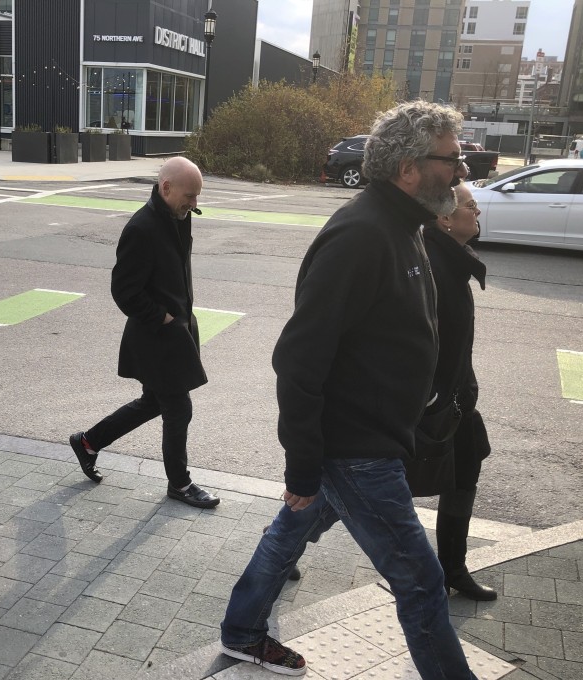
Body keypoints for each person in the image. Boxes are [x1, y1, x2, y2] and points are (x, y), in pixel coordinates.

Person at [219, 101, 477, 679]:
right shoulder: (361, 234)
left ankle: (241, 632)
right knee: (421, 580)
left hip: (373, 438)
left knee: (289, 533)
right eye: (452, 159)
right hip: (356, 451)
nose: (460, 172)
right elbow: (298, 358)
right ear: (408, 168)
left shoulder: (405, 224)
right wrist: (303, 466)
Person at [69, 156, 220, 509]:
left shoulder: (177, 216)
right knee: (178, 409)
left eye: (197, 195)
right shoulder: (142, 228)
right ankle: (180, 484)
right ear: (166, 188)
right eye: (190, 195)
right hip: (157, 337)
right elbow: (123, 291)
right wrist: (162, 318)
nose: (194, 203)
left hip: (175, 332)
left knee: (153, 402)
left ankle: (88, 442)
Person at [422, 183, 496, 601]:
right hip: (427, 407)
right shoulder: (431, 264)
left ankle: (453, 569)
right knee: (350, 490)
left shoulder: (453, 259)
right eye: (471, 205)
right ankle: (282, 541)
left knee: (466, 472)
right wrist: (430, 398)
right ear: (445, 218)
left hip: (456, 400)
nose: (477, 212)